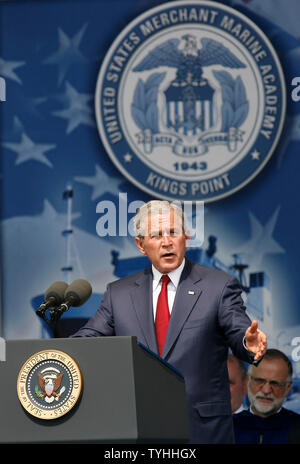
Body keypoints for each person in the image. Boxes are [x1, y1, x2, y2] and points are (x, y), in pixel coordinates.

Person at [73, 200, 267, 444]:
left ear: (186, 237)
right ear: (141, 245)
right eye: (156, 235)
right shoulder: (118, 294)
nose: (167, 242)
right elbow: (86, 340)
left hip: (202, 432)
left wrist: (247, 343)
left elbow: (239, 329)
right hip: (139, 431)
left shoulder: (219, 286)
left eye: (173, 232)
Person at [233, 348, 300, 444]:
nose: (266, 390)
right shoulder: (228, 427)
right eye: (259, 380)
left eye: (275, 383)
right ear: (248, 380)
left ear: (287, 387)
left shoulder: (297, 427)